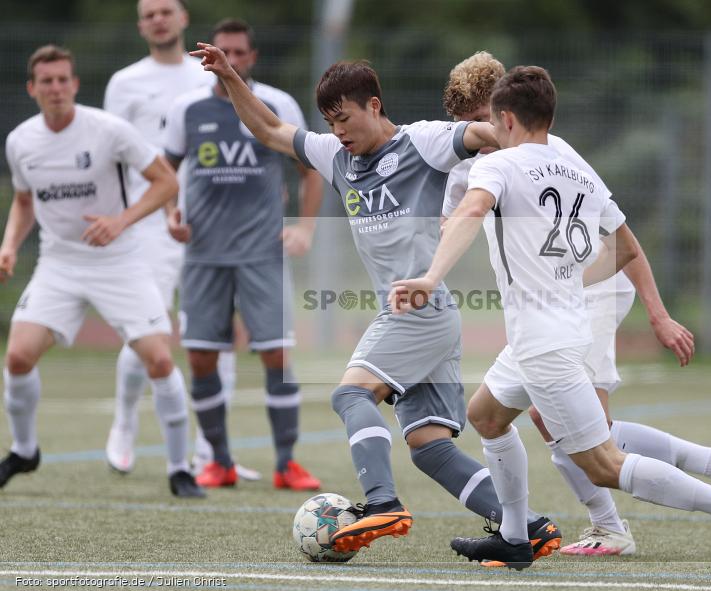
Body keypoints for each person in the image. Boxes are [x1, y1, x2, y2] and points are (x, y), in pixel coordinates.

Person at [392, 65, 711, 570]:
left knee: (601, 464)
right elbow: (624, 247)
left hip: (542, 339)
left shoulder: (499, 166)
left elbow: (468, 214)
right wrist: (567, 279)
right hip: (561, 325)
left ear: (504, 118)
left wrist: (429, 278)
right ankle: (514, 537)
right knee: (487, 416)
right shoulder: (573, 169)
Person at [188, 43, 562, 558]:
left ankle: (382, 503)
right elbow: (271, 131)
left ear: (375, 106)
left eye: (345, 119)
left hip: (418, 310)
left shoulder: (422, 143)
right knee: (430, 447)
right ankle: (528, 525)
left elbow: (479, 133)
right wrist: (231, 77)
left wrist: (522, 143)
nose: (339, 131)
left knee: (348, 395)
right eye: (330, 122)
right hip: (429, 315)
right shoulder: (335, 156)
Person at [0, 45, 203, 498]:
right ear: (32, 89)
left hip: (120, 262)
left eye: (62, 80)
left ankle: (179, 468)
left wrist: (121, 221)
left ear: (74, 84)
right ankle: (24, 450)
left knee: (160, 359)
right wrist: (9, 246)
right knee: (16, 358)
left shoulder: (110, 130)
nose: (55, 88)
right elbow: (24, 201)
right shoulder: (21, 141)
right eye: (46, 81)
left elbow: (166, 181)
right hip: (60, 264)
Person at [164, 19, 323, 491]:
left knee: (275, 354)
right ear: (205, 58)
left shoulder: (278, 104)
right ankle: (220, 461)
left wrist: (305, 228)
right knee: (200, 359)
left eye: (237, 52)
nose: (227, 59)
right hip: (203, 255)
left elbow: (310, 169)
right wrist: (171, 214)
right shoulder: (185, 109)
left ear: (251, 57)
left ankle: (286, 464)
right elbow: (165, 172)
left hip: (261, 253)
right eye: (221, 51)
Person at [102, 0, 250, 478]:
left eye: (167, 10)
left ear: (185, 18)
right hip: (150, 228)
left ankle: (213, 452)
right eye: (149, 13)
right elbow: (110, 156)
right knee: (147, 329)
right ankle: (124, 423)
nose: (158, 18)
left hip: (211, 227)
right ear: (141, 24)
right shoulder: (125, 83)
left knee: (216, 337)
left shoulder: (207, 72)